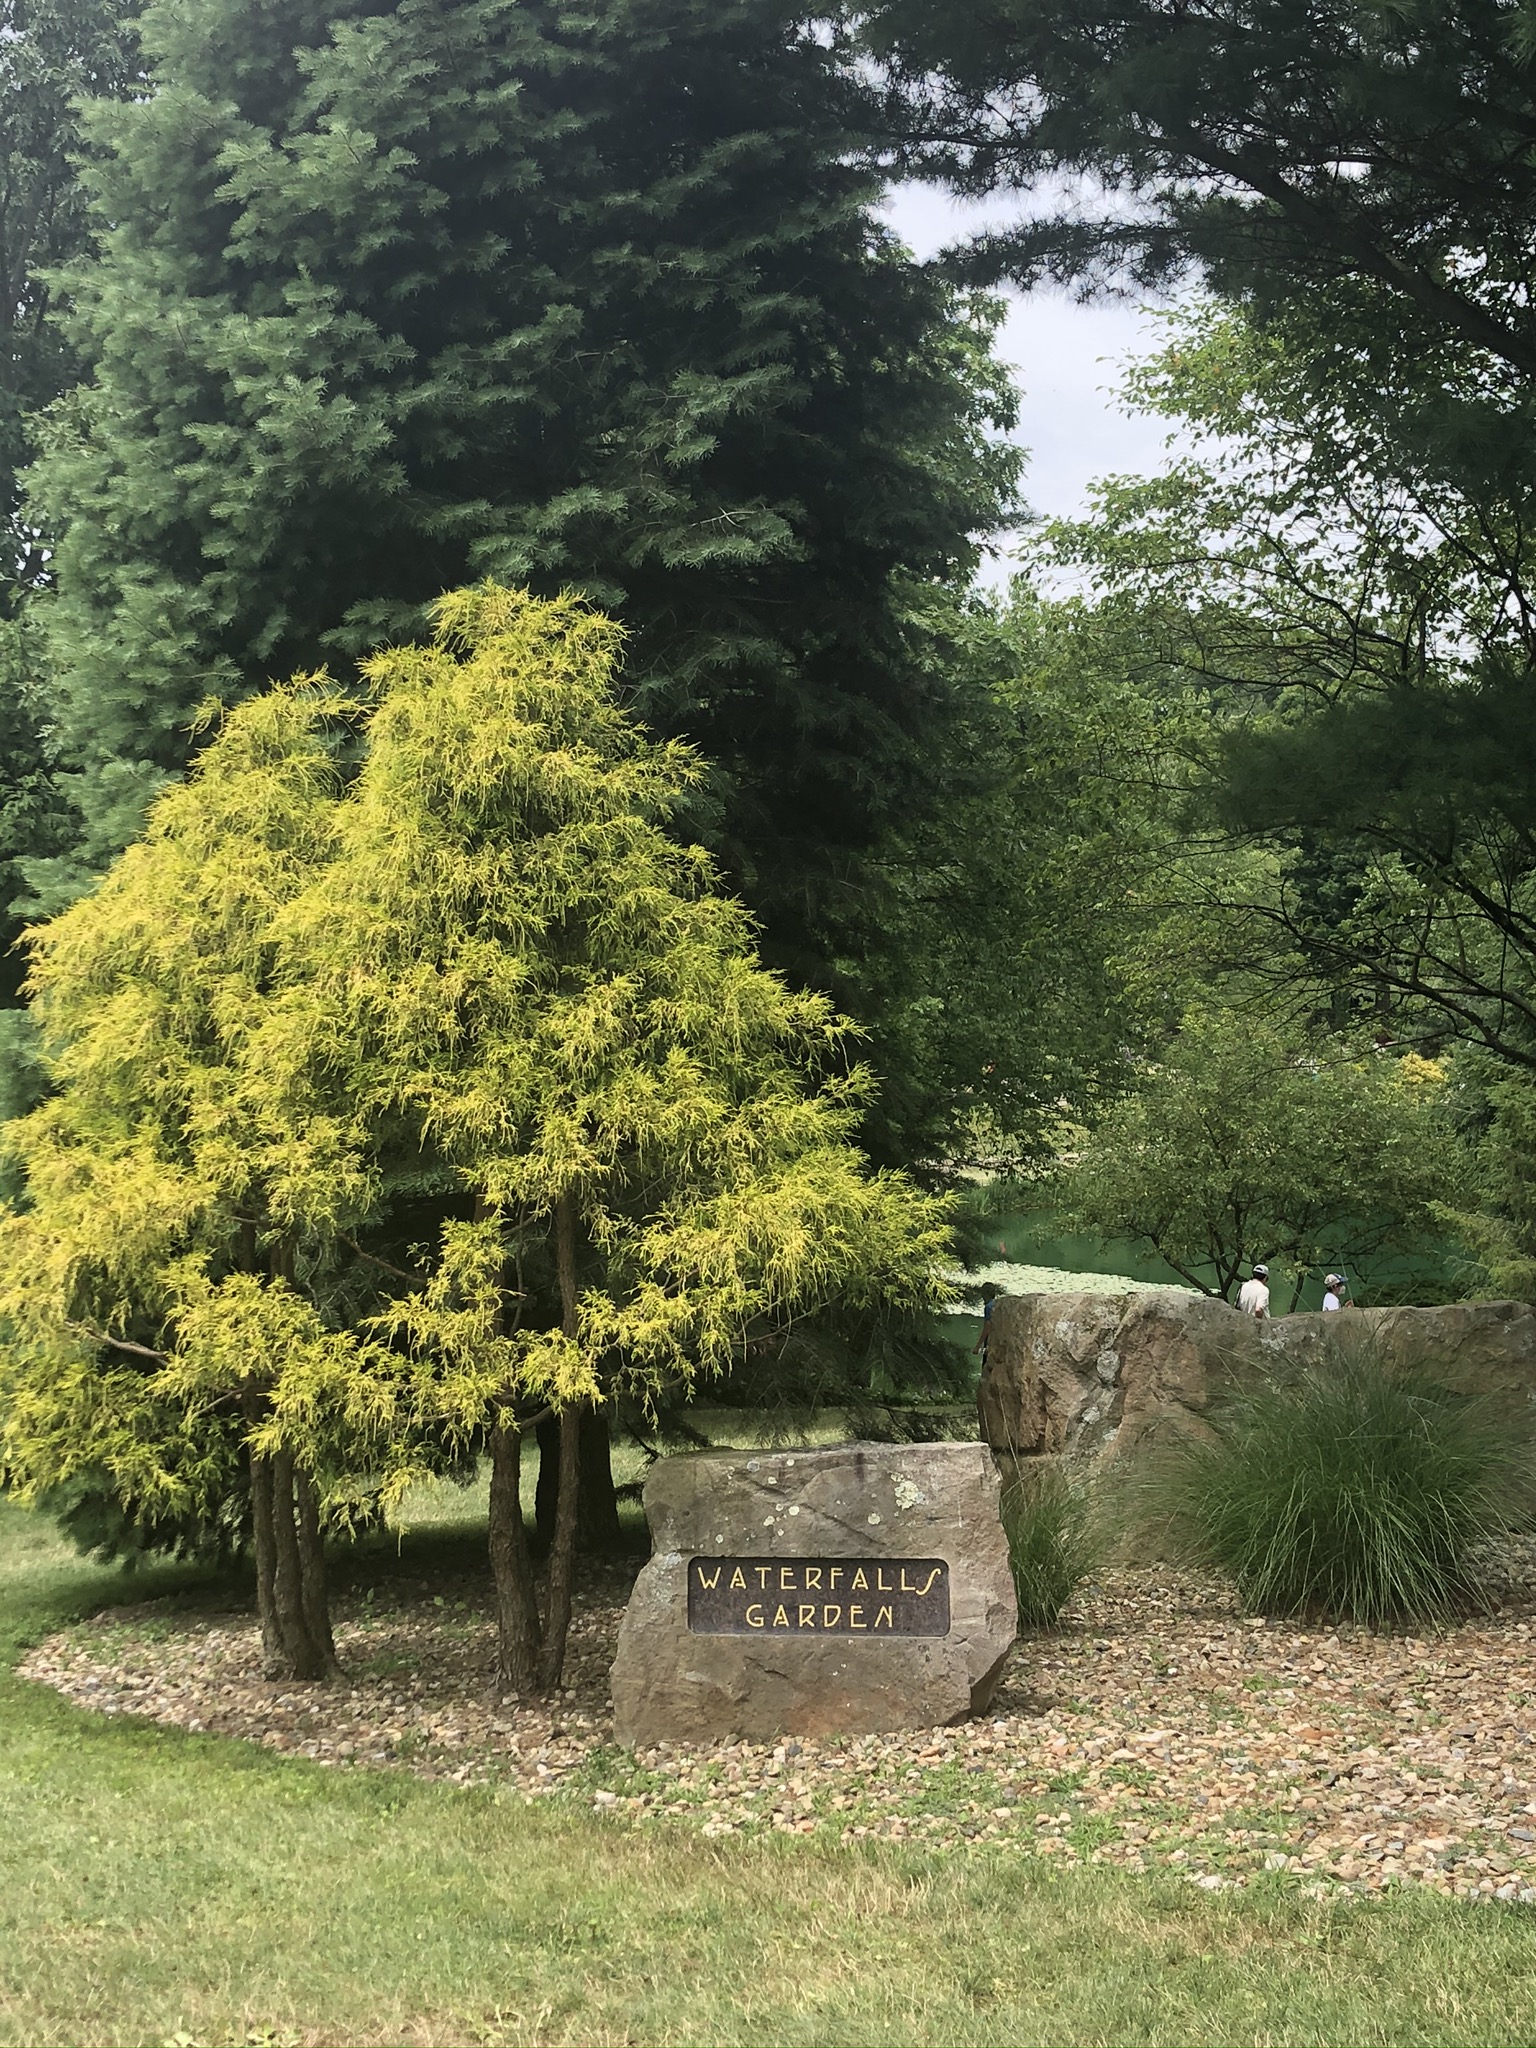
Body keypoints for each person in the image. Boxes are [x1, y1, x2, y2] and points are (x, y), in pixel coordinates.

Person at [973, 1282, 1001, 1360]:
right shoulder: (996, 1304)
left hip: (990, 1340)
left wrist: (978, 1345)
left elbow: (988, 1326)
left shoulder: (988, 1307)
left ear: (985, 1294)